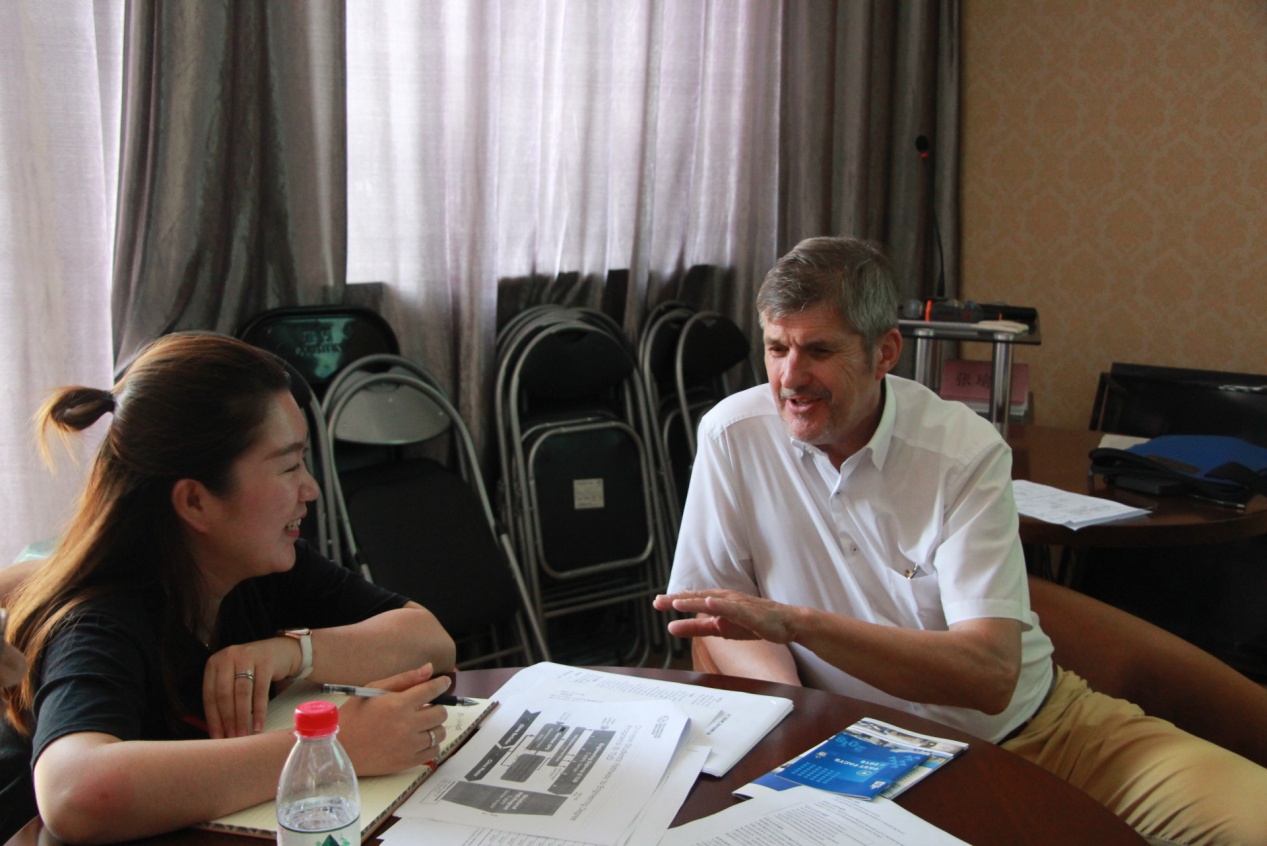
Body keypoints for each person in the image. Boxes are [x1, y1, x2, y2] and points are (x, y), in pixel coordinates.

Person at [654, 236, 1267, 846]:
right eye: (776, 348)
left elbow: (989, 676)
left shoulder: (961, 452)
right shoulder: (732, 435)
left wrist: (798, 624)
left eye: (819, 350)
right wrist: (799, 716)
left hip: (1042, 733)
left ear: (884, 352)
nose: (791, 378)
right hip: (856, 752)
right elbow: (718, 621)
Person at [0, 332, 457, 843]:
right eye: (289, 466)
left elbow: (432, 642)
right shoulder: (101, 619)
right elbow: (74, 794)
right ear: (196, 502)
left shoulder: (260, 571)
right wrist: (333, 745)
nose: (310, 489)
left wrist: (294, 653)